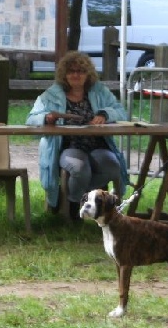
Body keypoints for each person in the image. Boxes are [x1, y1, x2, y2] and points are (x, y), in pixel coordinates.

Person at [26, 51, 128, 222]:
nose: (76, 75)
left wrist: (105, 114)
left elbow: (121, 112)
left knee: (112, 166)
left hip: (98, 145)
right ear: (64, 75)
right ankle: (74, 206)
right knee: (80, 168)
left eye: (80, 71)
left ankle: (73, 199)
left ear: (88, 74)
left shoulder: (100, 91)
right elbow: (30, 119)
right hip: (68, 146)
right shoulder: (51, 95)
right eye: (71, 71)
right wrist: (47, 117)